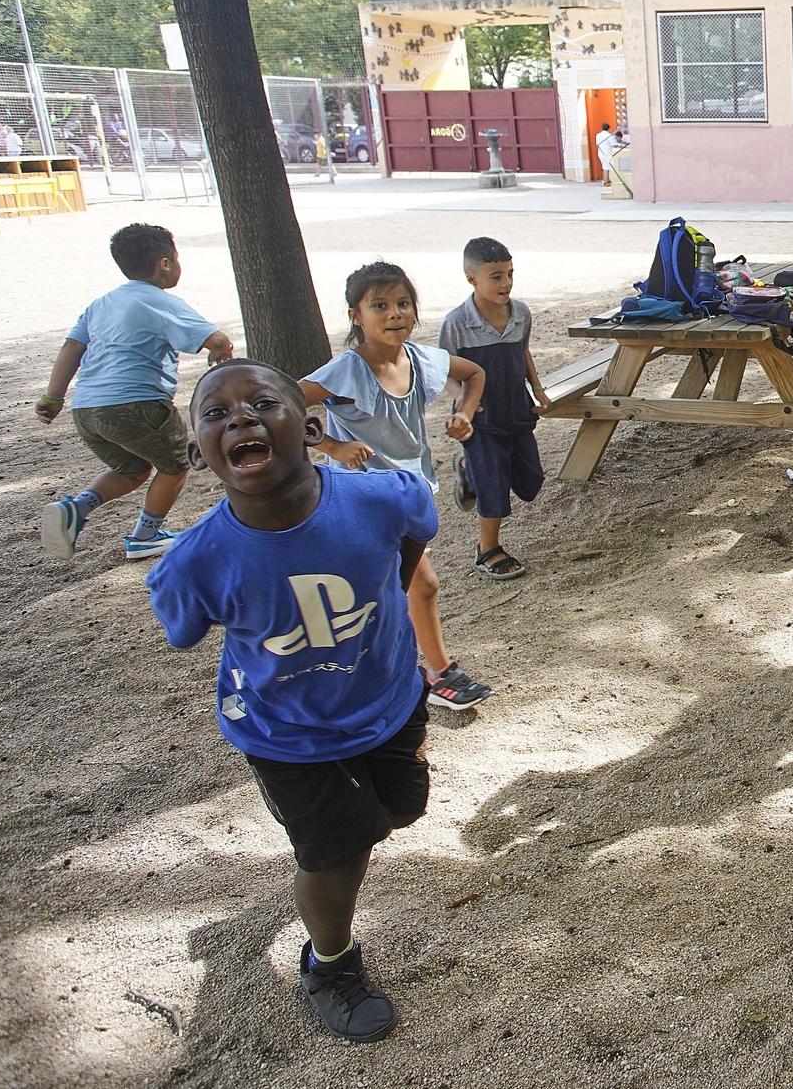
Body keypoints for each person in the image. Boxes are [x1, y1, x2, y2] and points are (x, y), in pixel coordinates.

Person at [148, 359, 438, 1042]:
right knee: (335, 850)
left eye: (260, 403)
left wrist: (387, 597)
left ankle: (345, 837)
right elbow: (184, 629)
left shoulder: (381, 497)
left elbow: (414, 528)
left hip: (391, 695)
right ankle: (330, 963)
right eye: (216, 414)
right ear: (198, 453)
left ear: (308, 428)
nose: (240, 417)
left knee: (398, 808)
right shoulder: (196, 559)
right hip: (287, 731)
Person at [301, 262, 495, 712]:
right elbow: (281, 405)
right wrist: (333, 446)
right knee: (412, 587)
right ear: (356, 316)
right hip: (362, 501)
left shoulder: (420, 359)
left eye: (403, 304)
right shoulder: (347, 371)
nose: (395, 314)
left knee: (403, 589)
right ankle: (432, 673)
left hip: (411, 494)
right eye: (381, 306)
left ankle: (404, 673)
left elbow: (474, 374)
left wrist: (465, 414)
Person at [37, 223, 234, 562]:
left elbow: (72, 346)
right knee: (175, 464)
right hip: (137, 403)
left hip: (86, 409)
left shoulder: (99, 305)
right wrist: (221, 355)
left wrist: (53, 397)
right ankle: (146, 536)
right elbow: (216, 340)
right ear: (165, 263)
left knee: (134, 469)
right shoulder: (160, 301)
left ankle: (76, 508)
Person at [439, 238, 552, 582]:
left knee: (530, 481)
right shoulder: (457, 322)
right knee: (493, 485)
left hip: (517, 410)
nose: (506, 283)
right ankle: (488, 550)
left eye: (510, 274)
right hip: (481, 420)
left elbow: (523, 353)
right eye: (496, 276)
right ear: (472, 279)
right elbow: (445, 370)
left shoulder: (520, 313)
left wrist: (538, 390)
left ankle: (466, 470)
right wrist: (464, 404)